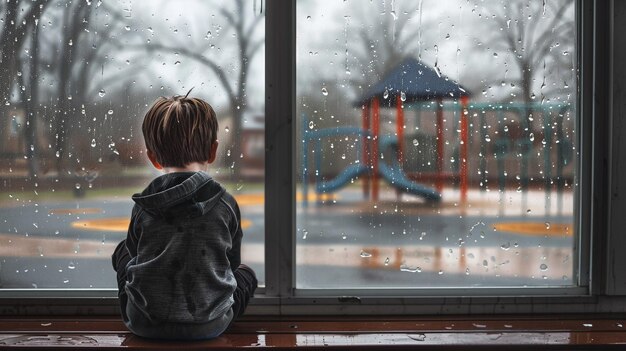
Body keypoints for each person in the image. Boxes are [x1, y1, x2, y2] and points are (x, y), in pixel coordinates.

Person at [112, 92, 257, 340]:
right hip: (209, 326)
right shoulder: (225, 203)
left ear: (153, 158)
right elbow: (230, 266)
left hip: (145, 323)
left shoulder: (145, 204)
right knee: (246, 274)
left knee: (122, 253)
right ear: (213, 151)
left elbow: (135, 255)